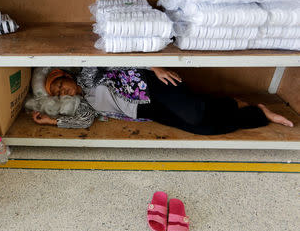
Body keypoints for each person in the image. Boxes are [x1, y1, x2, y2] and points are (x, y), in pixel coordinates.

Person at [31, 67, 294, 135]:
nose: (62, 92)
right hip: (146, 109)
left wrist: (154, 67)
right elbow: (84, 121)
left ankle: (234, 102)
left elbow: (121, 54)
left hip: (150, 84)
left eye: (60, 85)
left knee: (195, 114)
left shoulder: (89, 70)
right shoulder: (84, 105)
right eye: (57, 94)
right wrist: (52, 121)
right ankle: (259, 113)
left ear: (65, 75)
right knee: (204, 128)